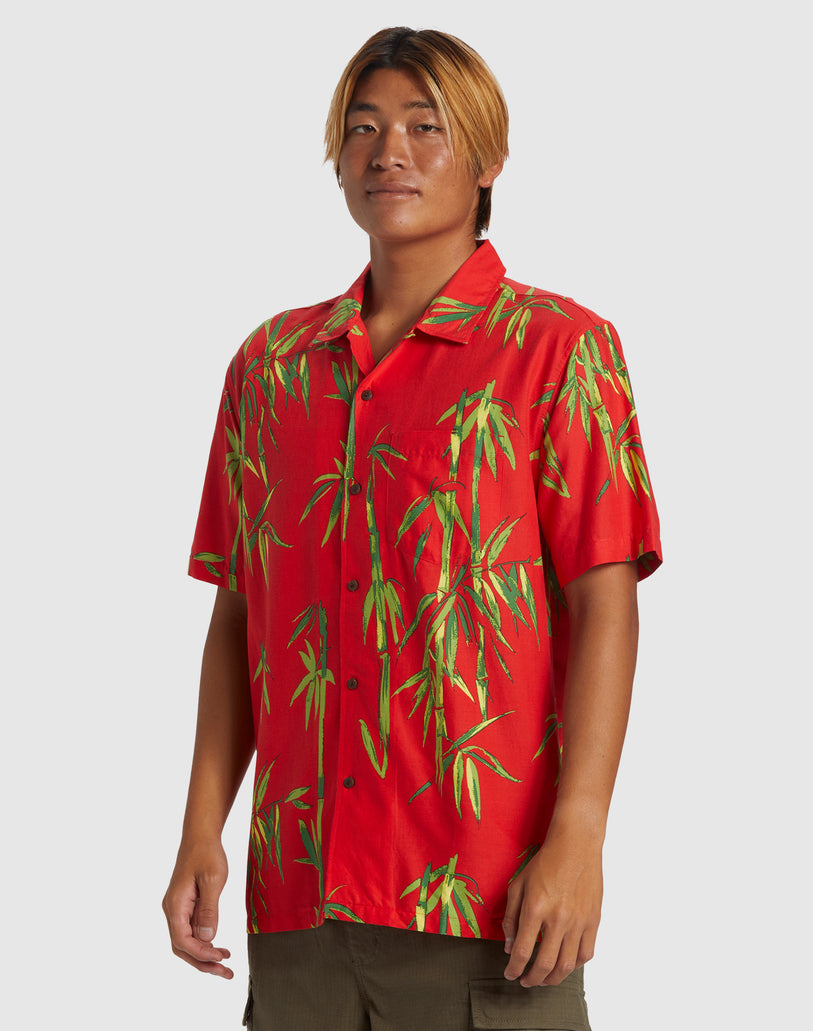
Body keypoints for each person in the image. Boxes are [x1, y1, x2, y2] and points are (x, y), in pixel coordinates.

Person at [163, 25, 662, 1030]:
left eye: (425, 128)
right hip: (299, 903)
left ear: (487, 158)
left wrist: (580, 833)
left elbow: (602, 598)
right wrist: (200, 827)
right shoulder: (270, 368)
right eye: (363, 128)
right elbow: (240, 613)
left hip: (487, 901)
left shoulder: (557, 350)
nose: (388, 152)